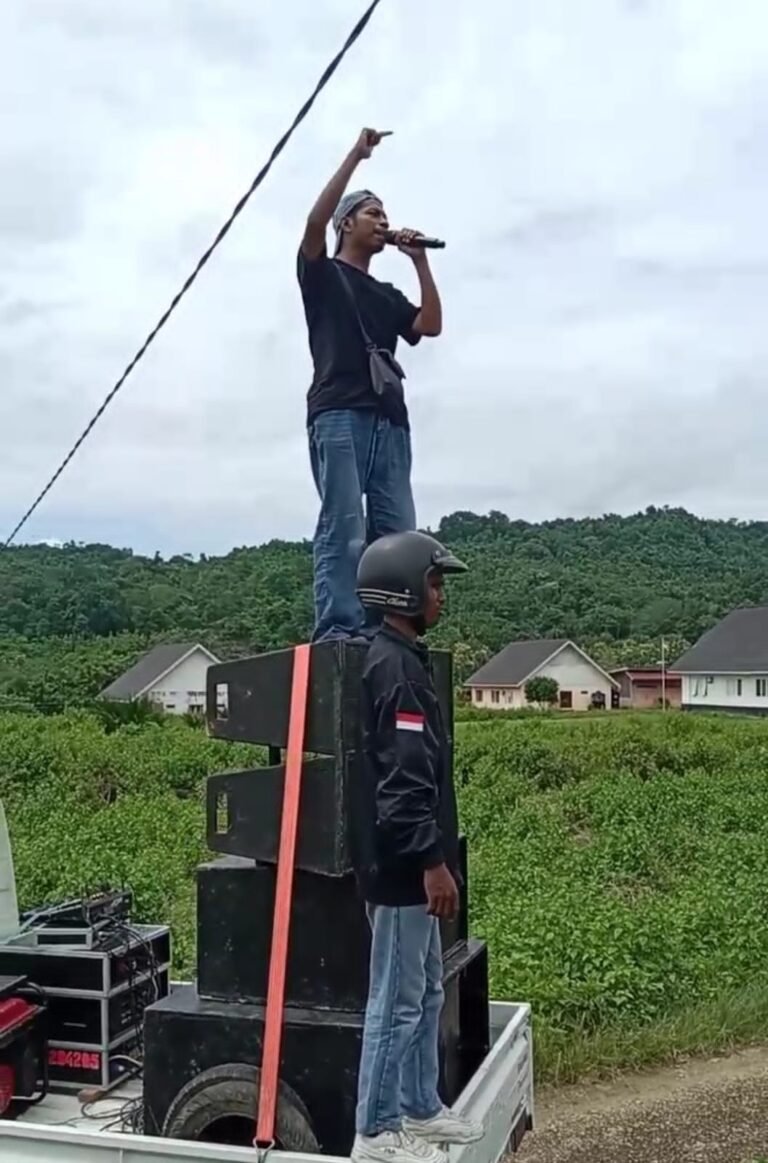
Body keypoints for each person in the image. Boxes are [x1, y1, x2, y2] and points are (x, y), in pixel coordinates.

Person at [348, 531, 485, 1163]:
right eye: (435, 584)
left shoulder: (401, 657)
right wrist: (433, 863)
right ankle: (374, 1131)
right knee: (396, 1001)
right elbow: (403, 785)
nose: (441, 596)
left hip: (412, 865)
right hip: (404, 869)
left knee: (427, 991)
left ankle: (420, 1108)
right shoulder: (396, 670)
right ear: (403, 589)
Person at [297, 128, 443, 642]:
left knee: (398, 533)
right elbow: (313, 223)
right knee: (345, 524)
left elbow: (428, 324)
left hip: (391, 421)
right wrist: (355, 157)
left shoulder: (386, 292)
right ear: (346, 224)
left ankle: (388, 631)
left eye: (386, 215)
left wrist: (420, 261)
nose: (383, 222)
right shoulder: (323, 274)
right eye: (372, 214)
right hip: (340, 413)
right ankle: (339, 628)